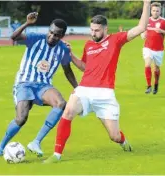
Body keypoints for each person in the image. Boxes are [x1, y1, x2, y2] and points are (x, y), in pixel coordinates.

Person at [44, 0, 151, 163]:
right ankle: (57, 154)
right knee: (68, 111)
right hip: (85, 89)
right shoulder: (88, 45)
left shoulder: (116, 40)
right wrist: (71, 55)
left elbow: (141, 27)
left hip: (105, 94)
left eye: (96, 30)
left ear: (105, 29)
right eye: (91, 30)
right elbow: (85, 67)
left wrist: (146, 3)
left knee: (114, 136)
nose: (93, 33)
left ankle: (123, 141)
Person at [0, 12, 78, 158]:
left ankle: (36, 142)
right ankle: (0, 146)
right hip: (24, 83)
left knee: (61, 103)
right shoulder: (35, 38)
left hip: (44, 86)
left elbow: (67, 71)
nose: (51, 36)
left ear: (62, 36)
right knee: (21, 118)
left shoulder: (63, 49)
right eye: (50, 32)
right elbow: (14, 37)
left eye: (56, 35)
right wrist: (27, 24)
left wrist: (78, 88)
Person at [141, 2, 165, 94]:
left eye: (157, 11)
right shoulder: (146, 20)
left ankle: (156, 84)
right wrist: (142, 34)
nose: (155, 12)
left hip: (159, 50)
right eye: (154, 11)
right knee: (147, 65)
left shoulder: (163, 22)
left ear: (160, 12)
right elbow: (141, 30)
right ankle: (148, 86)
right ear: (151, 11)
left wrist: (161, 31)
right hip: (148, 48)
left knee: (156, 69)